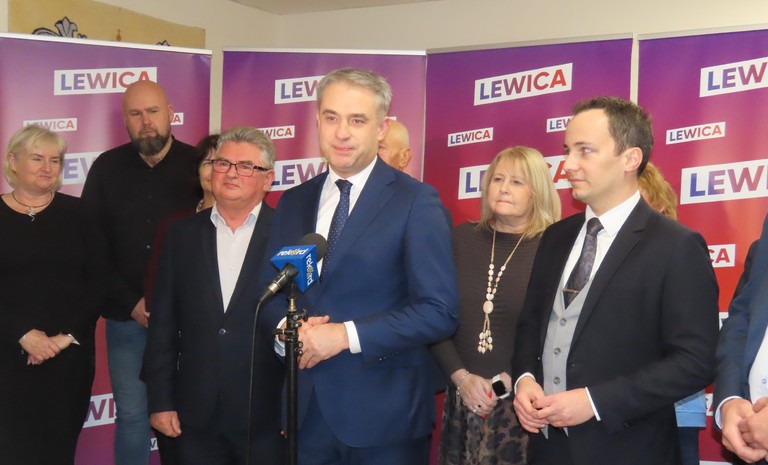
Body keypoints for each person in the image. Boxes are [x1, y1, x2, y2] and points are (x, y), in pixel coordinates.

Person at [260, 67, 458, 465]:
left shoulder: (416, 201)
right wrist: (288, 332)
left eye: (357, 120)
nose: (342, 133)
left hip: (385, 422)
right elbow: (270, 291)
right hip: (305, 414)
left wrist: (343, 336)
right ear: (317, 121)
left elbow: (439, 312)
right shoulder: (294, 201)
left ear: (381, 128)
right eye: (331, 117)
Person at [512, 96, 719, 465]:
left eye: (585, 150)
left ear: (630, 158)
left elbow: (695, 361)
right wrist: (525, 378)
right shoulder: (556, 237)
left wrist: (595, 401)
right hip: (547, 448)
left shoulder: (676, 245)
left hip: (629, 449)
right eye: (567, 150)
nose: (567, 165)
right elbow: (531, 324)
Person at [143, 126, 283, 465]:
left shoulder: (290, 235)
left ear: (267, 179)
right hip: (196, 412)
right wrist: (160, 400)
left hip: (266, 414)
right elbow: (162, 323)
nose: (231, 173)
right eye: (222, 163)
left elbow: (303, 324)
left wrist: (292, 408)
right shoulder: (181, 234)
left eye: (245, 166)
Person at [81, 79, 201, 465]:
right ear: (125, 121)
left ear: (170, 114)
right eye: (136, 114)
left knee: (186, 416)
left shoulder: (200, 166)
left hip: (188, 321)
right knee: (132, 417)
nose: (146, 121)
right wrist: (132, 303)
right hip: (127, 319)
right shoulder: (105, 168)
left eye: (153, 111)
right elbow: (92, 248)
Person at [431, 146, 561, 465]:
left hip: (523, 404)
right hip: (462, 399)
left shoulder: (553, 247)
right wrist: (461, 379)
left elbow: (556, 330)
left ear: (537, 192)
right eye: (497, 179)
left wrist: (507, 381)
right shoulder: (460, 239)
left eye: (517, 182)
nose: (503, 188)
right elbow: (433, 314)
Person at [0, 125, 105, 465]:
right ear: (12, 162)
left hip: (67, 358)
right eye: (37, 158)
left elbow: (98, 283)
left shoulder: (81, 213)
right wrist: (22, 334)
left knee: (58, 451)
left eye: (55, 160)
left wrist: (64, 339)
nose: (47, 168)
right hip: (6, 357)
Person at [638, 161, 708, 465]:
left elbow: (693, 346)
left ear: (660, 206)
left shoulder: (683, 249)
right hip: (623, 412)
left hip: (677, 410)